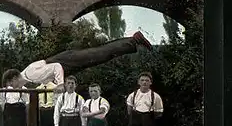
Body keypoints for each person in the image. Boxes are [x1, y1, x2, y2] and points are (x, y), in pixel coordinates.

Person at [20, 31, 153, 90]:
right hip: (67, 64)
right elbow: (49, 78)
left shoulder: (30, 74)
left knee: (101, 54)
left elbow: (55, 67)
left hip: (66, 61)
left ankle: (134, 40)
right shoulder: (29, 77)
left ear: (14, 79)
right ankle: (132, 41)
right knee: (102, 56)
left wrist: (60, 85)